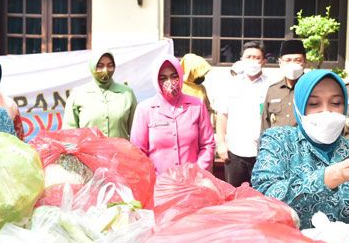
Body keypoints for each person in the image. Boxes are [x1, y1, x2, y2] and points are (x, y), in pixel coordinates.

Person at [251, 70, 349, 229]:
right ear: (299, 106)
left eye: (335, 103)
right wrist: (331, 175)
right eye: (314, 104)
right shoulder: (279, 140)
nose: (326, 111)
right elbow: (265, 196)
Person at [131, 56, 215, 174]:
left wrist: (197, 172)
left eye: (174, 76)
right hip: (158, 184)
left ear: (181, 76)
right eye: (163, 78)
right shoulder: (145, 109)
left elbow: (207, 144)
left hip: (191, 183)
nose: (169, 82)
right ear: (156, 80)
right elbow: (138, 151)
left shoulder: (197, 105)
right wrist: (155, 177)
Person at [216, 41, 269, 187]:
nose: (252, 61)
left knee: (260, 197)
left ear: (264, 61)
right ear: (241, 60)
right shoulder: (230, 84)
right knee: (234, 197)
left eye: (256, 58)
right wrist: (221, 143)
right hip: (234, 151)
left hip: (261, 153)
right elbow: (222, 115)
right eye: (248, 57)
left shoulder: (270, 86)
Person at [64, 50, 137, 139]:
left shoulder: (127, 93)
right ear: (92, 67)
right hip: (88, 152)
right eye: (100, 66)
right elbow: (69, 134)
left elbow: (136, 132)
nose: (105, 70)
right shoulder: (78, 94)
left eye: (110, 66)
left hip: (120, 152)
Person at [261, 39, 306, 133]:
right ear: (280, 63)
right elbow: (265, 124)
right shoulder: (273, 90)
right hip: (277, 146)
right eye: (288, 60)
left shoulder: (313, 89)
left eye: (297, 60)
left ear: (305, 62)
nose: (292, 64)